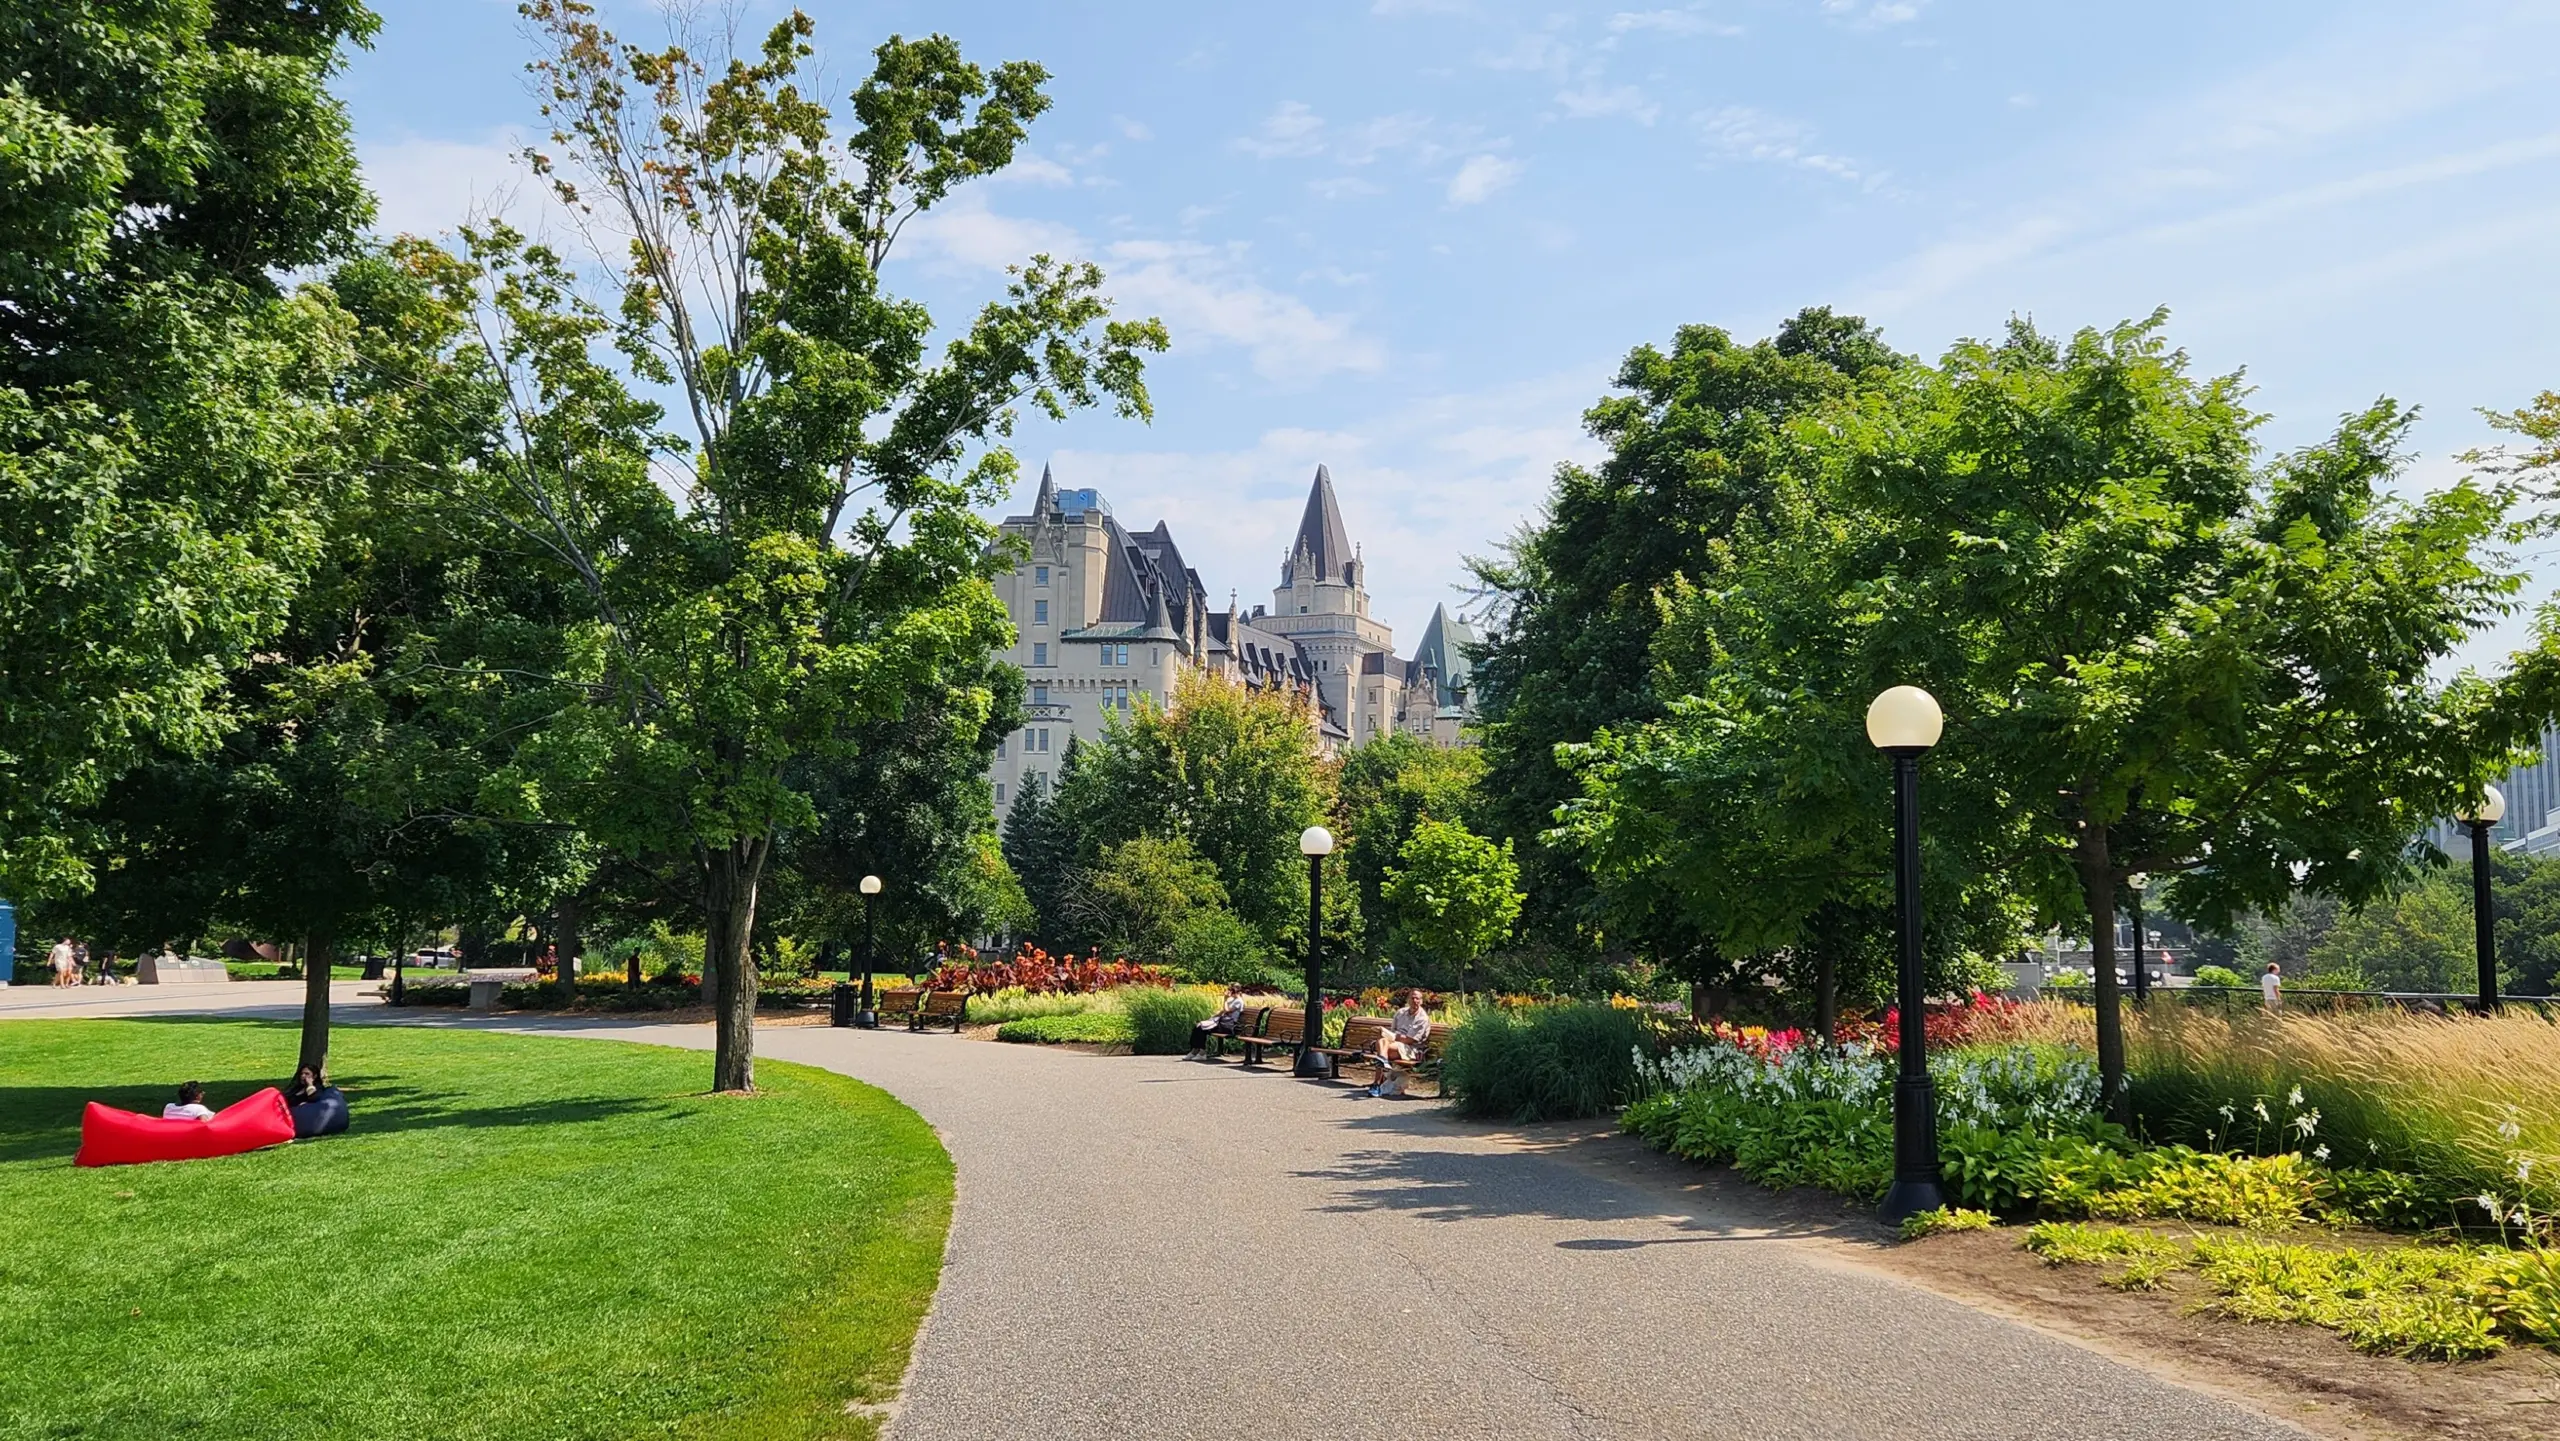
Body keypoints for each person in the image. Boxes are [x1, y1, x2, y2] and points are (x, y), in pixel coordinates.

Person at [1366, 991, 1433, 1098]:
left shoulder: (1422, 1018)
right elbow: (1393, 1031)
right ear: (1408, 1000)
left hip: (1412, 1050)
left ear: (1421, 1001)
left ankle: (1377, 1083)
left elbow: (1409, 1040)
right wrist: (1388, 1035)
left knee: (1382, 1044)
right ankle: (1382, 1064)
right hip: (1395, 1045)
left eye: (1417, 999)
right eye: (1412, 998)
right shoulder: (1400, 1013)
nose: (1415, 1001)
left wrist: (1388, 1034)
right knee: (1383, 1041)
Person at [1190, 986, 1248, 1058]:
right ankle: (1194, 1050)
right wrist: (1211, 1018)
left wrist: (1225, 999)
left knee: (1202, 1029)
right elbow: (1222, 1011)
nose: (1232, 993)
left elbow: (1227, 1010)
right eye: (1231, 991)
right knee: (1198, 1027)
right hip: (1223, 1023)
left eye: (1233, 992)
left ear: (1239, 992)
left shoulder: (1239, 1001)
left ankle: (1202, 1052)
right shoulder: (1233, 1000)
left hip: (1228, 1025)